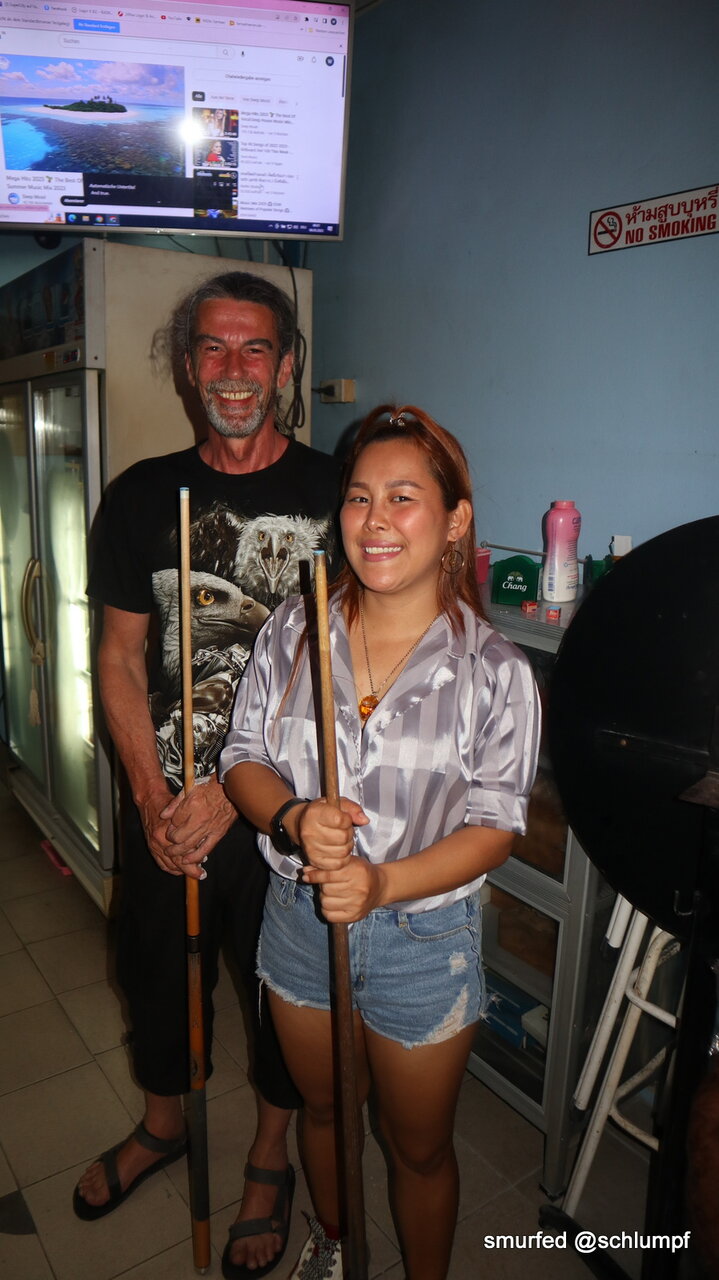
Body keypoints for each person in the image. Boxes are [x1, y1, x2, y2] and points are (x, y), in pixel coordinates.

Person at [218, 404, 541, 1279]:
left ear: (454, 520)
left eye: (403, 497)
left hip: (424, 942)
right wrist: (292, 818)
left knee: (418, 1147)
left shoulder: (494, 672)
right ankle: (334, 1240)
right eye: (359, 497)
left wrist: (382, 884)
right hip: (297, 922)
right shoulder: (294, 629)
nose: (374, 520)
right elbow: (241, 757)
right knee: (324, 1113)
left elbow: (495, 827)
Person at [75, 269, 341, 1280]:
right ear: (188, 368)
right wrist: (152, 799)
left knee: (284, 992)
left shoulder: (336, 495)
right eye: (214, 349)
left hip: (285, 811)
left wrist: (239, 792)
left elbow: (357, 666)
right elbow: (117, 658)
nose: (234, 370)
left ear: (285, 366)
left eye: (255, 348)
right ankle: (163, 1124)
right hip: (168, 804)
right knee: (152, 970)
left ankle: (269, 1157)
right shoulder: (139, 496)